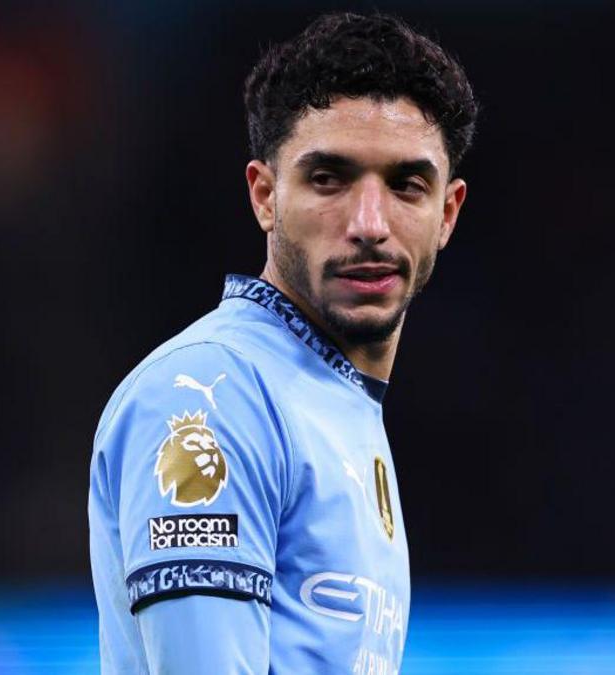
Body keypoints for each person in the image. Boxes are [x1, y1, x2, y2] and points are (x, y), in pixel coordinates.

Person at [88, 11, 477, 674]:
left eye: (406, 184)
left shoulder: (338, 406)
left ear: (447, 213)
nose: (369, 224)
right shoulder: (214, 395)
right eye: (329, 178)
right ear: (265, 195)